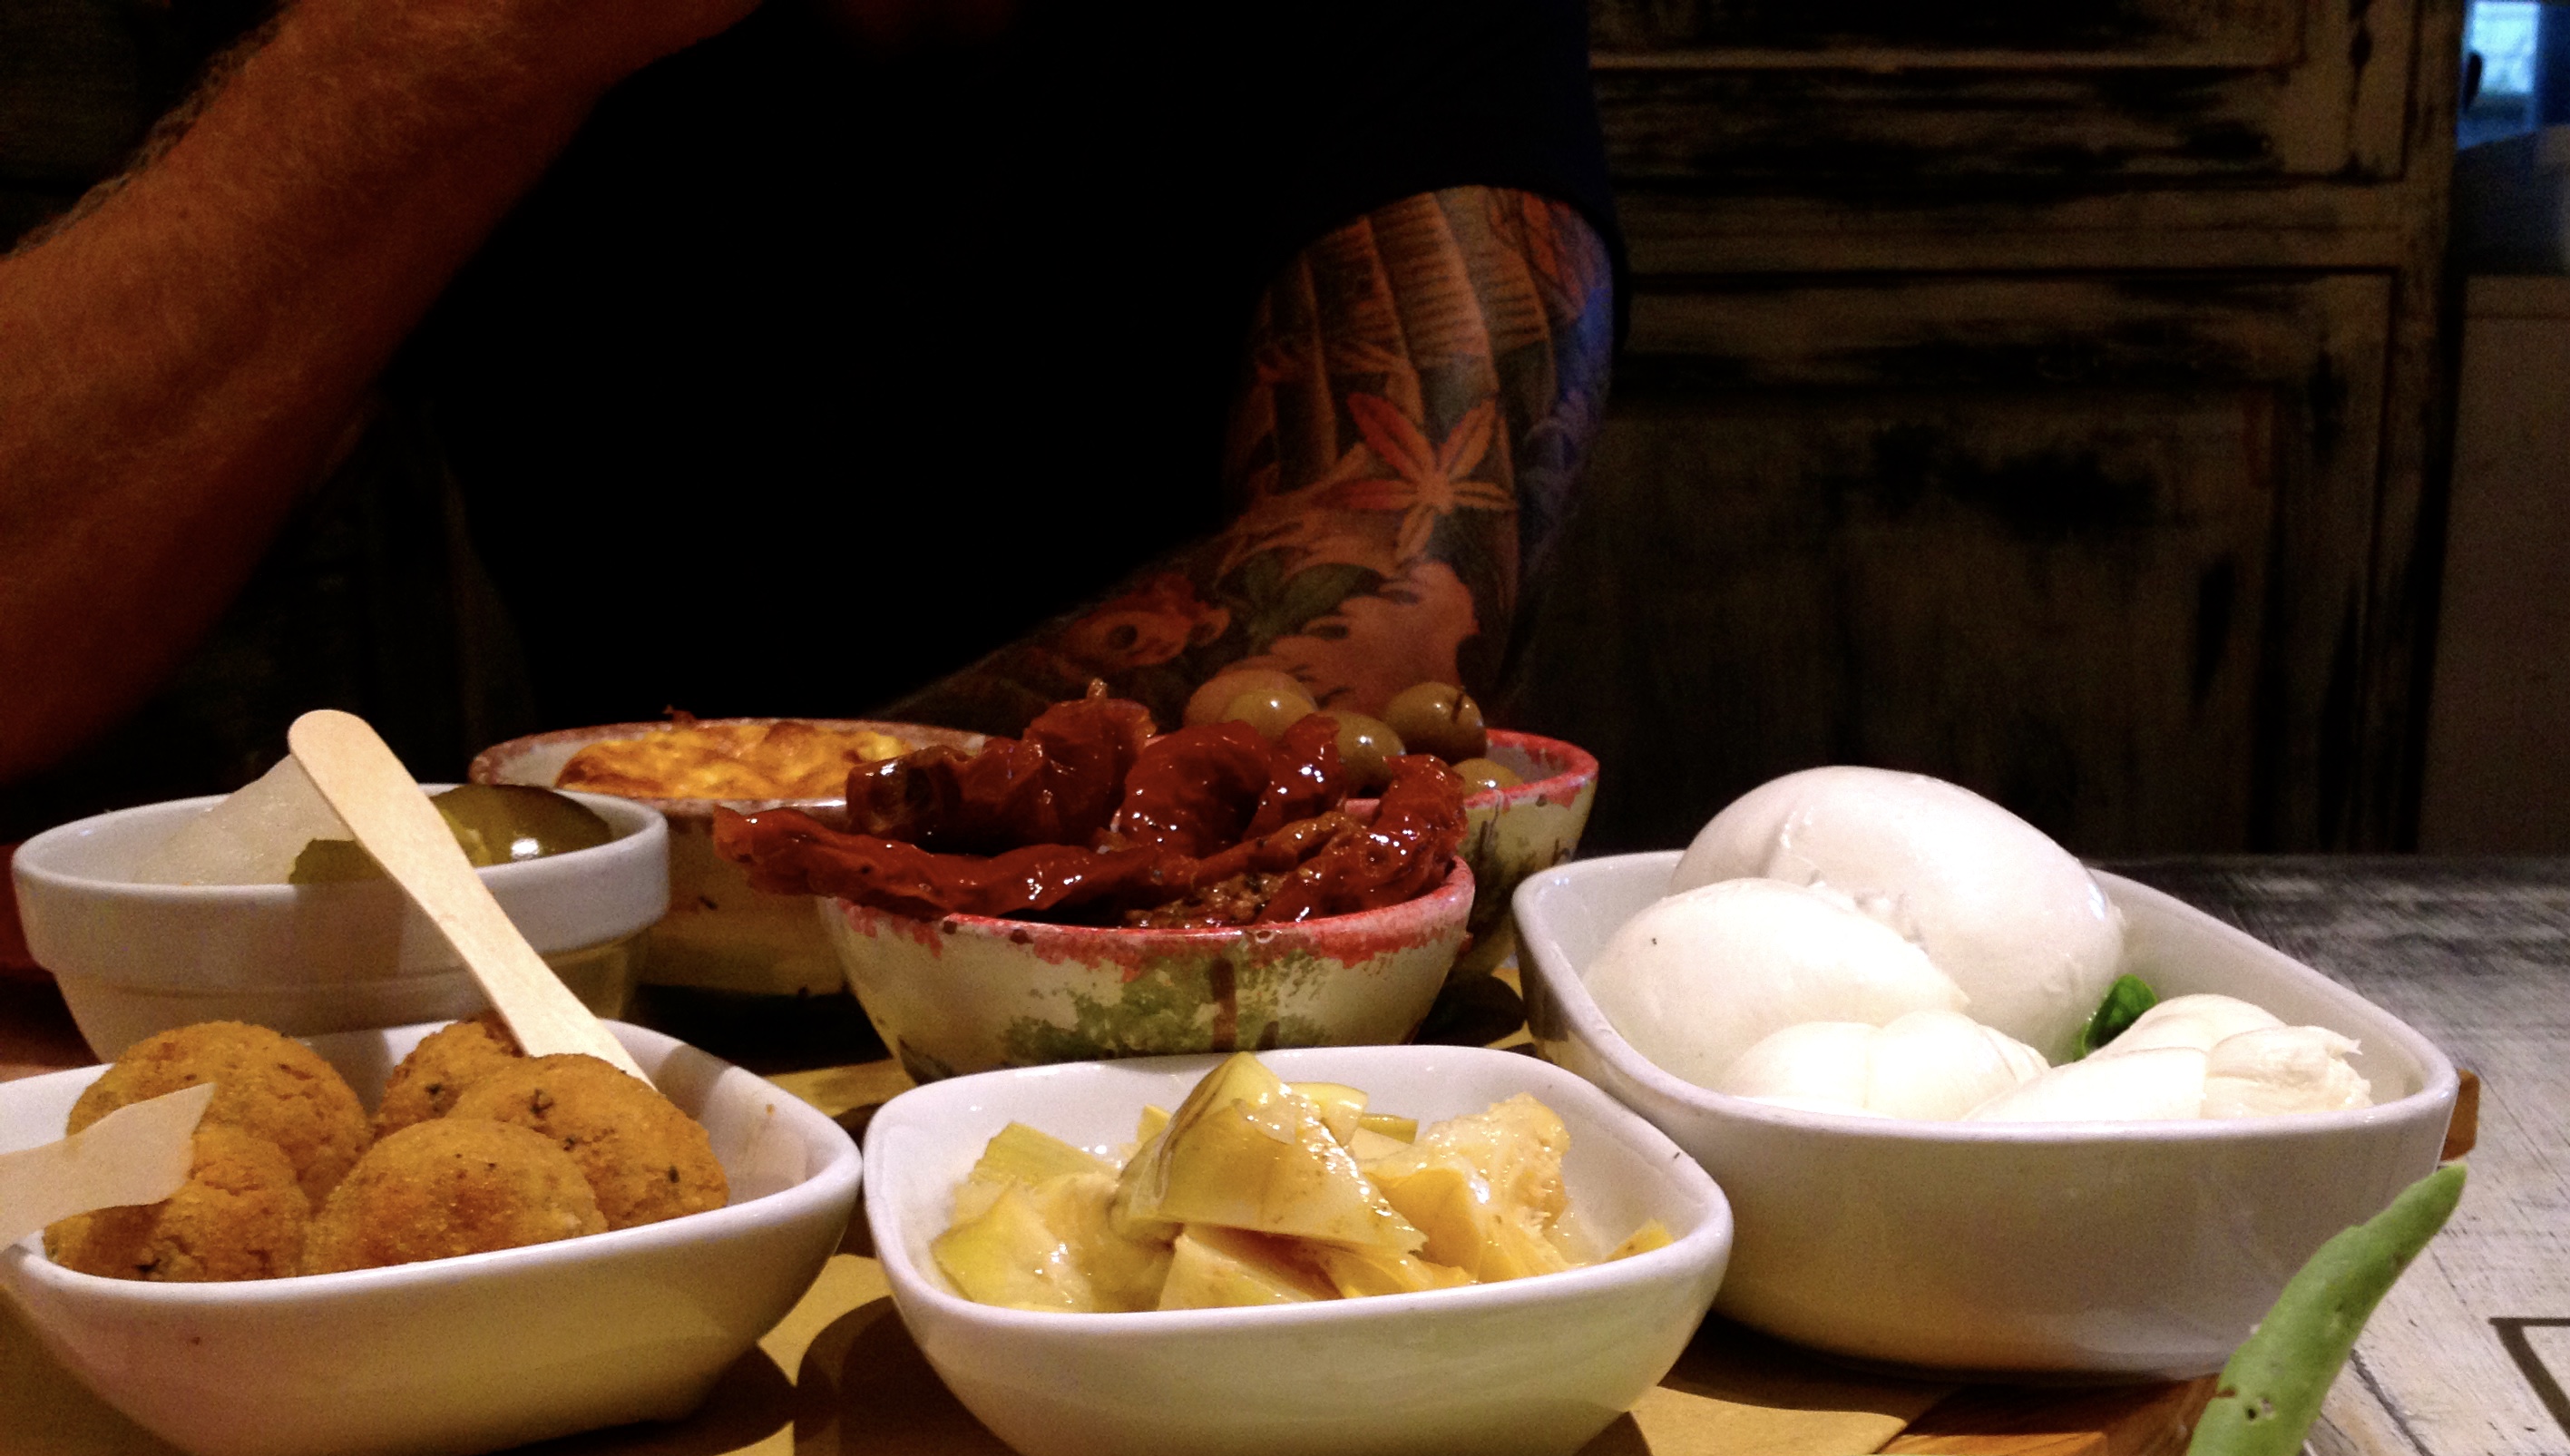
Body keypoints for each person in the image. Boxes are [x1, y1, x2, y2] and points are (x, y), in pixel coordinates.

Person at [0, 0, 1618, 837]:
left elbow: (1397, 595)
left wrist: (740, 828)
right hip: (633, 1047)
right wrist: (461, 41)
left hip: (1223, 1015)